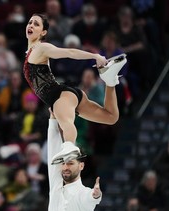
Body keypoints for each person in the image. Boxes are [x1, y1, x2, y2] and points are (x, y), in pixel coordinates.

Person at [23, 13, 126, 153]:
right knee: (111, 117)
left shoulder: (41, 48)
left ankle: (69, 150)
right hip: (65, 97)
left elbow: (69, 52)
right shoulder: (30, 52)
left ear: (43, 32)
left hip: (60, 96)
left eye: (36, 24)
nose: (31, 25)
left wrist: (94, 56)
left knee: (66, 123)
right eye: (30, 22)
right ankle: (110, 81)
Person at [47, 109, 102, 211]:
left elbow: (91, 197)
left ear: (81, 166)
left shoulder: (82, 193)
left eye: (70, 163)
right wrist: (53, 118)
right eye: (63, 163)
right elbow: (52, 150)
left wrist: (96, 195)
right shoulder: (56, 185)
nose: (65, 167)